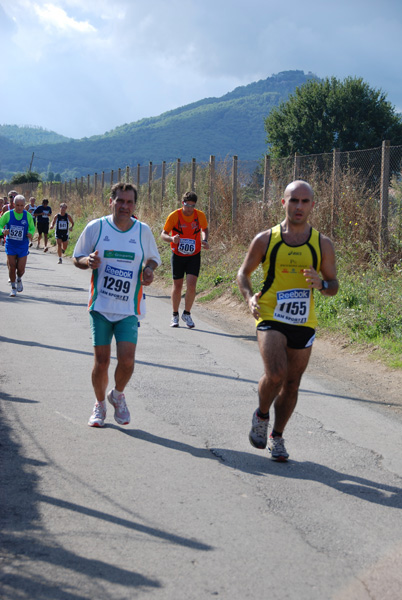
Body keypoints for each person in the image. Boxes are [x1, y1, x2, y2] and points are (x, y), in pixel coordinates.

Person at [237, 180, 339, 461]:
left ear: (312, 206)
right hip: (270, 314)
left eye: (305, 202)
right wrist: (249, 298)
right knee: (276, 373)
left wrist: (321, 284)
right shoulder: (266, 239)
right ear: (283, 203)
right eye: (294, 200)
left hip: (303, 321)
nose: (299, 206)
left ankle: (277, 436)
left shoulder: (322, 244)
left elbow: (333, 285)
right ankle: (261, 414)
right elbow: (243, 274)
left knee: (292, 383)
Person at [73, 182, 161, 428]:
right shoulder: (96, 227)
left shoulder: (142, 231)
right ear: (111, 201)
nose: (124, 206)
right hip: (100, 306)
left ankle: (117, 395)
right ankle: (99, 405)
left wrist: (149, 270)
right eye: (120, 201)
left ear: (135, 205)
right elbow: (76, 257)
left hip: (128, 309)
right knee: (101, 362)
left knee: (127, 361)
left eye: (129, 202)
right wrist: (86, 261)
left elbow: (154, 258)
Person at [161, 191, 209, 328]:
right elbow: (163, 234)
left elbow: (204, 229)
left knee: (192, 285)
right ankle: (175, 315)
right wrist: (171, 239)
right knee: (178, 286)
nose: (189, 209)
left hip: (194, 254)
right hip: (178, 255)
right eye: (187, 205)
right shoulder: (174, 216)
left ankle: (186, 313)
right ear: (183, 203)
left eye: (192, 206)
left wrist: (204, 240)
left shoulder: (199, 215)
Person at [0, 194, 35, 297]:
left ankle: (19, 278)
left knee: (21, 269)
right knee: (11, 266)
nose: (19, 208)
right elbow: (0, 225)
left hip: (23, 245)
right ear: (13, 204)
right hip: (11, 244)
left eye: (21, 205)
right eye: (17, 205)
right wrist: (3, 231)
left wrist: (30, 233)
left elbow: (32, 228)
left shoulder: (27, 216)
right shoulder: (7, 214)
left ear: (24, 205)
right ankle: (13, 287)